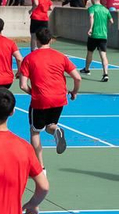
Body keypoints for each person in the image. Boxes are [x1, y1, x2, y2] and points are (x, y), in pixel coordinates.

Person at [18, 27, 79, 160]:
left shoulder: (28, 58)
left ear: (37, 41)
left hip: (40, 100)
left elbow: (22, 85)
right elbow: (77, 77)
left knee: (35, 132)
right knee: (50, 126)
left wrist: (33, 93)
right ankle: (57, 131)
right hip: (59, 98)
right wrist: (74, 91)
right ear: (50, 40)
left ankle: (40, 167)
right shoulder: (61, 56)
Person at [81, 0, 112, 81]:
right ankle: (105, 74)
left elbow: (91, 17)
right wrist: (106, 28)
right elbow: (111, 21)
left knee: (90, 52)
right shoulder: (106, 10)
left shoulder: (92, 8)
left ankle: (87, 69)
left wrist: (91, 28)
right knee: (103, 55)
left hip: (94, 35)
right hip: (103, 35)